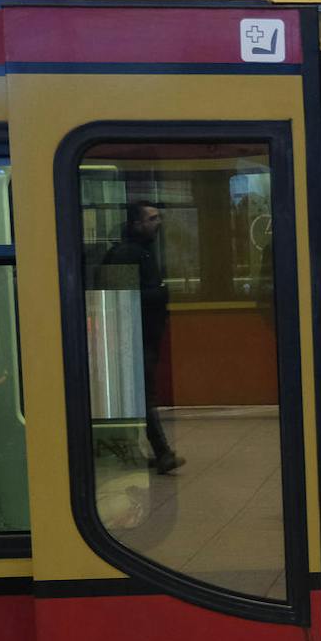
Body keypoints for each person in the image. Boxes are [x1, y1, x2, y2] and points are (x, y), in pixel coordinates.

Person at [101, 203, 183, 474]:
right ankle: (162, 452)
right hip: (132, 336)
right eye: (152, 218)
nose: (158, 222)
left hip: (144, 334)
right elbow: (119, 295)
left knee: (141, 394)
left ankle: (144, 451)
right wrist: (159, 293)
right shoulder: (127, 254)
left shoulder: (142, 251)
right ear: (136, 224)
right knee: (143, 394)